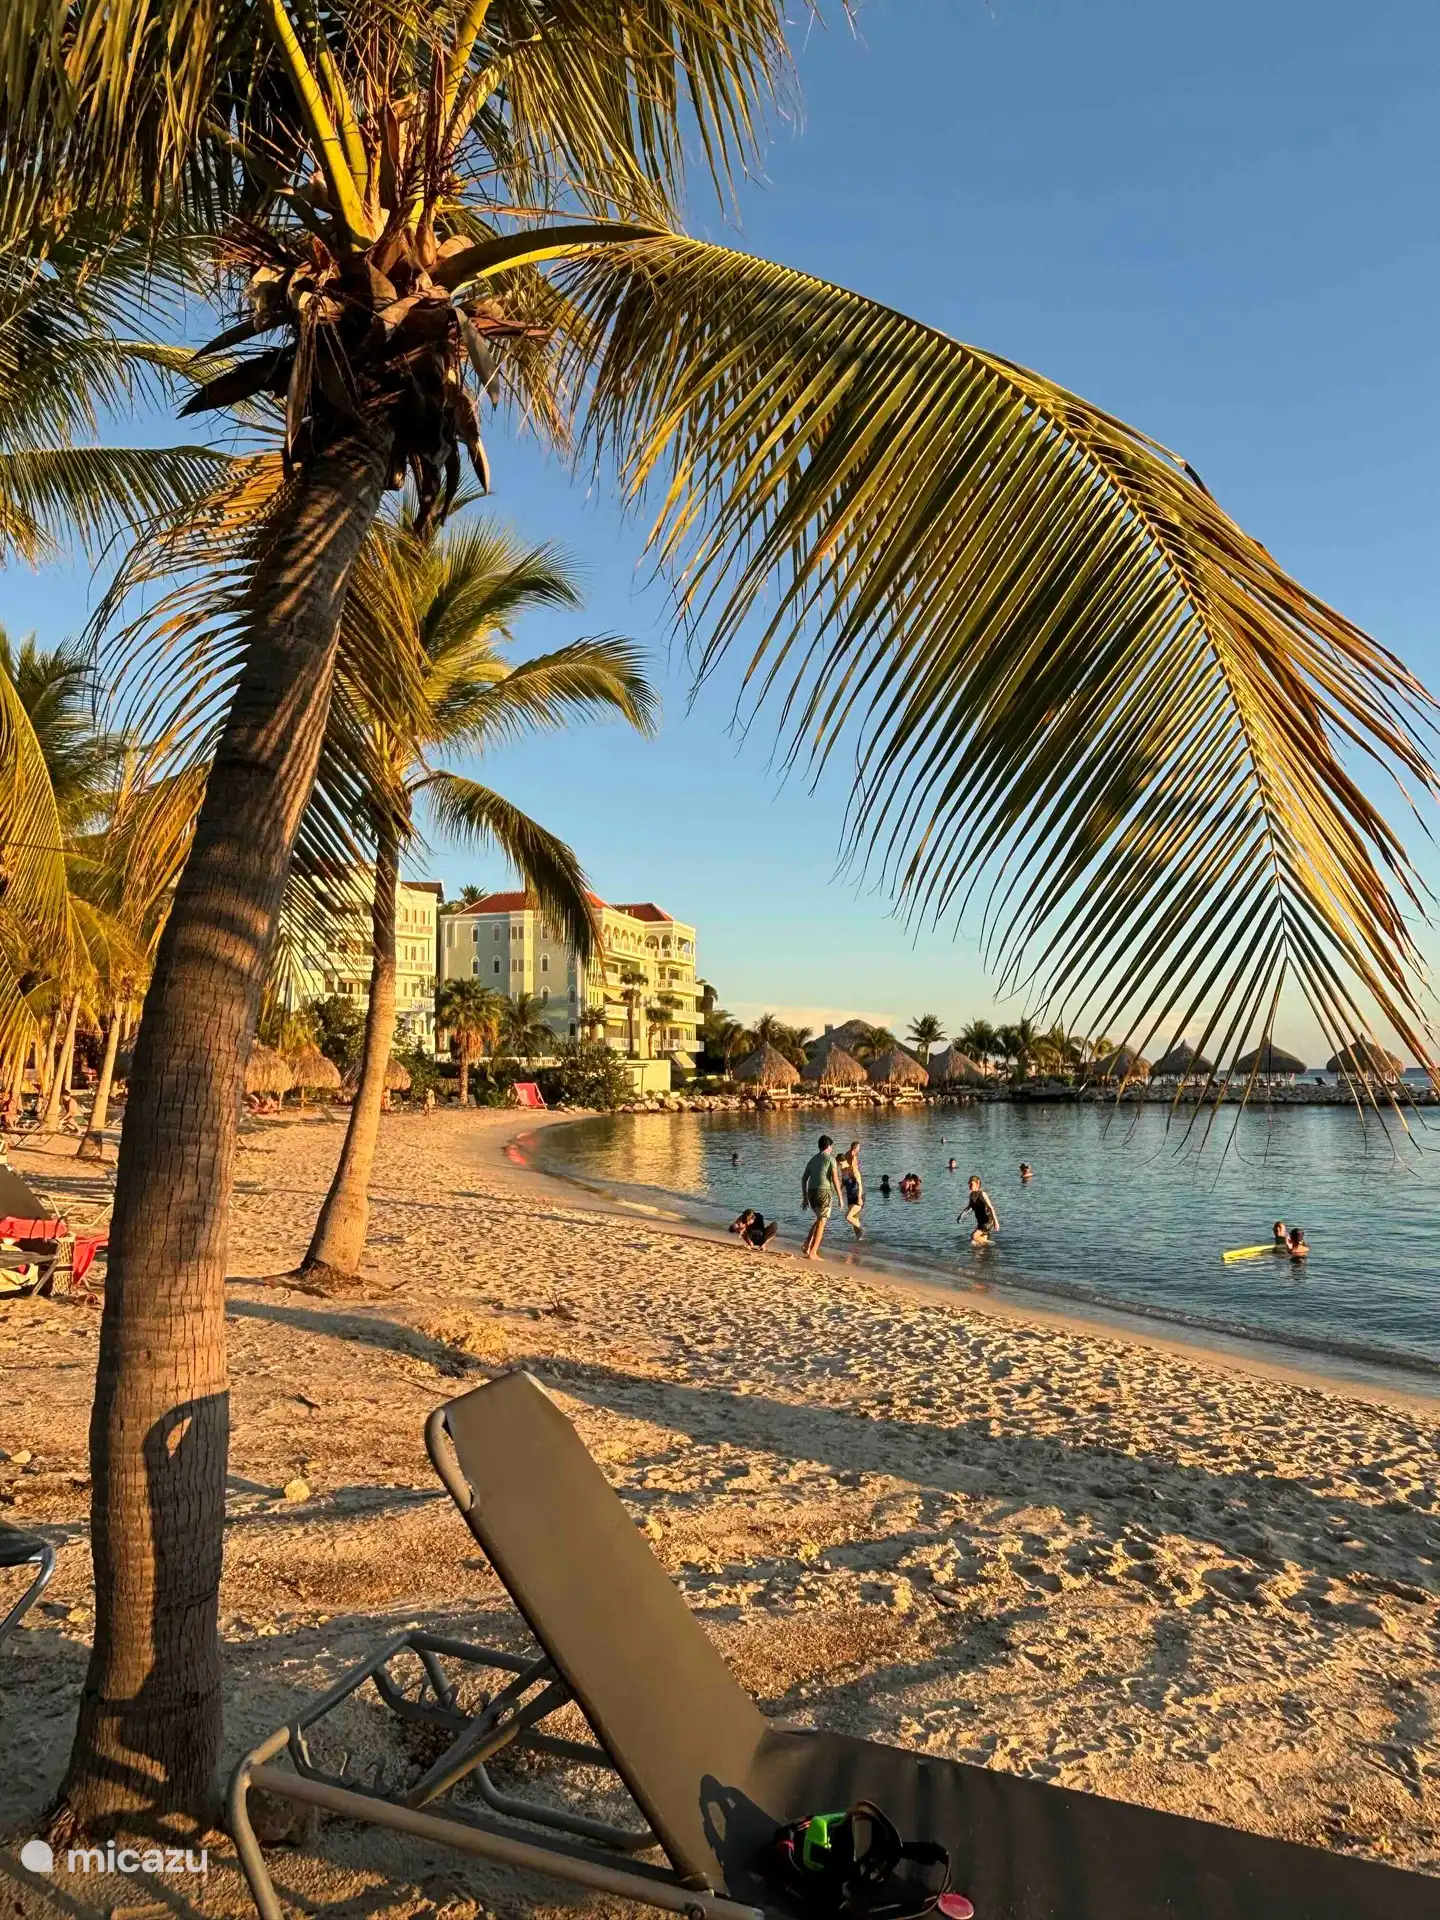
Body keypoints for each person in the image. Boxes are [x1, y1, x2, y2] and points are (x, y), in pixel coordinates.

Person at [801, 1134, 844, 1258]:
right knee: (822, 1221)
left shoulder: (812, 1159)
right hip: (823, 1192)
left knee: (820, 1219)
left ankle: (807, 1244)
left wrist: (804, 1197)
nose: (832, 1149)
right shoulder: (830, 1159)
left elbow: (804, 1178)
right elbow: (835, 1179)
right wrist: (840, 1198)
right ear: (828, 1146)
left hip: (811, 1192)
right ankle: (813, 1252)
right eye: (831, 1147)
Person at [960, 1173, 999, 1244]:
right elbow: (970, 1206)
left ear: (977, 1184)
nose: (969, 1186)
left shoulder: (982, 1194)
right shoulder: (971, 1195)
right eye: (969, 1184)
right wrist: (962, 1215)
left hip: (988, 1221)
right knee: (976, 1243)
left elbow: (991, 1207)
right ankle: (985, 1251)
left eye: (971, 1184)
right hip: (980, 1221)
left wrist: (996, 1222)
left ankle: (990, 1243)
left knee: (973, 1236)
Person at [837, 1140, 865, 1237]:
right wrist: (839, 1196)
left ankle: (861, 1230)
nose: (838, 1167)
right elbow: (843, 1184)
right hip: (850, 1197)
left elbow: (860, 1184)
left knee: (849, 1217)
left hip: (857, 1196)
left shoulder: (854, 1171)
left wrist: (859, 1197)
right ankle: (859, 1241)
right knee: (854, 1220)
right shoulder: (844, 1172)